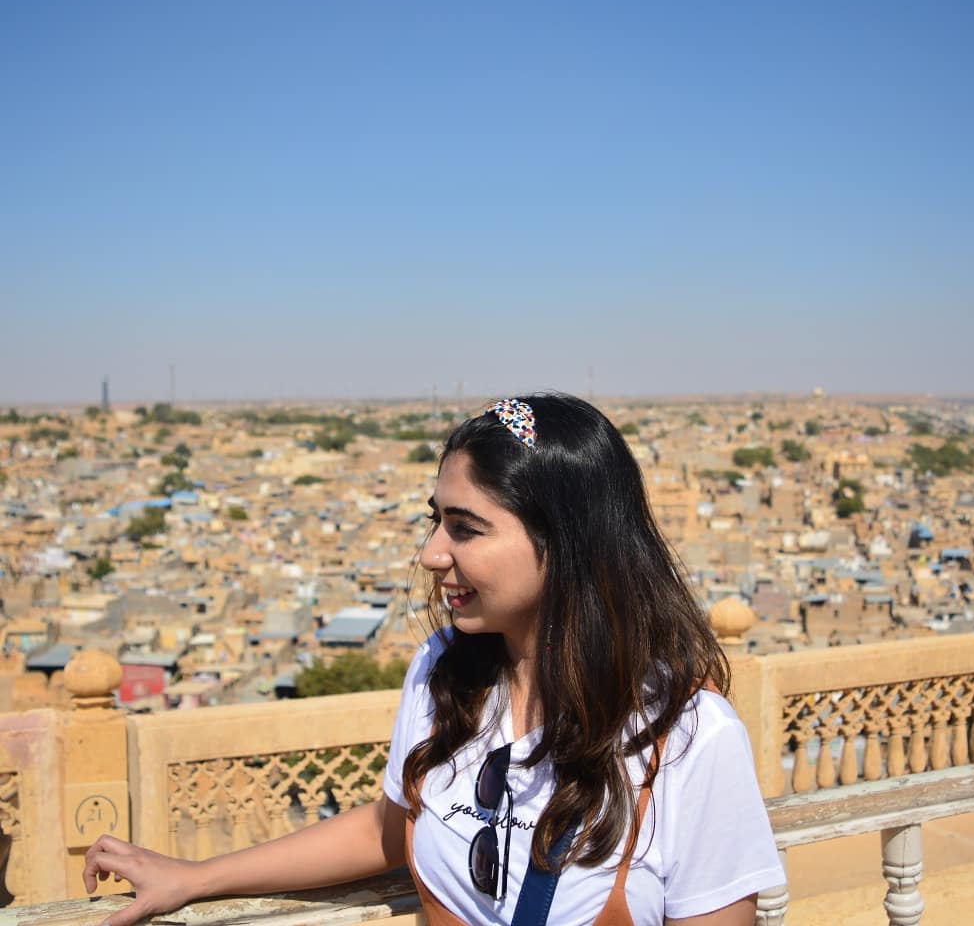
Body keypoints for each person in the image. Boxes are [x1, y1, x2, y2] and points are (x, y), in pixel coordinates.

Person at [84, 394, 785, 926]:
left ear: (566, 543)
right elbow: (387, 827)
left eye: (466, 528)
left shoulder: (688, 739)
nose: (432, 552)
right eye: (436, 518)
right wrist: (196, 877)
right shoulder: (447, 672)